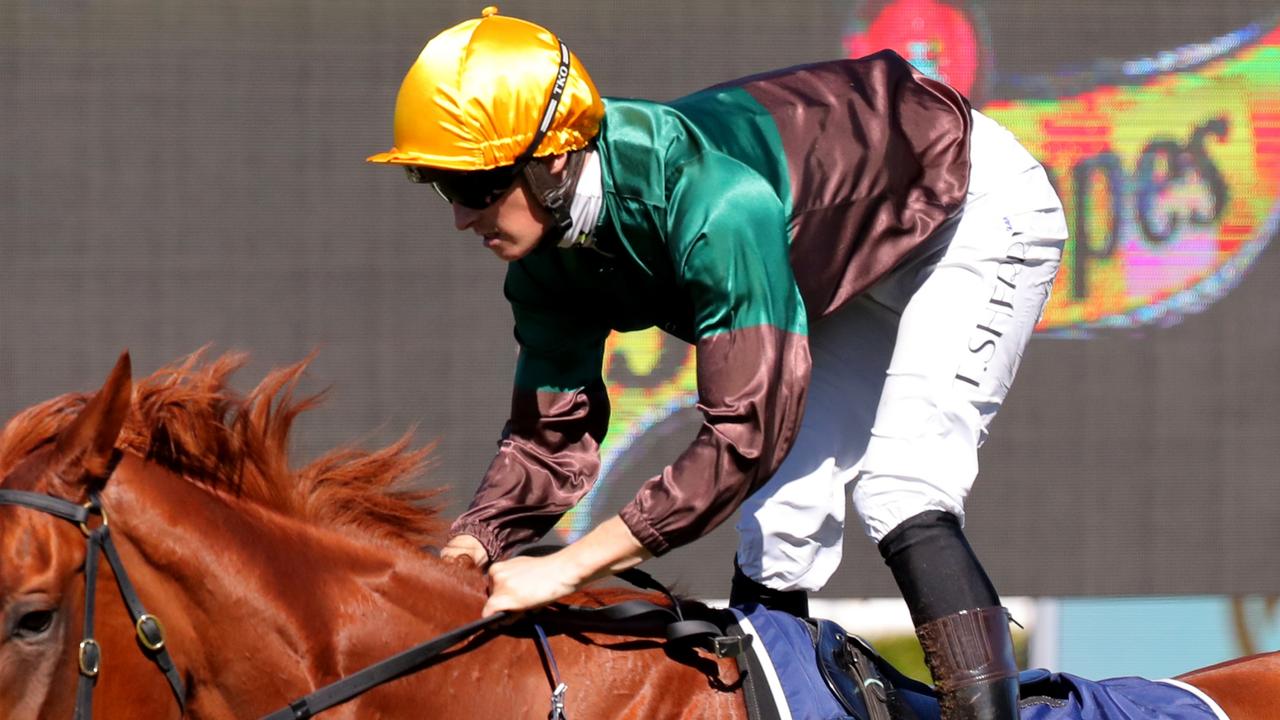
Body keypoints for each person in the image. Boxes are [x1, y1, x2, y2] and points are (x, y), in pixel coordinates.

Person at [368, 7, 1067, 719]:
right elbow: (549, 442)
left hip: (968, 207)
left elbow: (746, 435)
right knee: (779, 531)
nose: (460, 216)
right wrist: (468, 549)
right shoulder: (546, 260)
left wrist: (566, 568)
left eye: (474, 186)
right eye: (437, 182)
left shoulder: (711, 200)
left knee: (900, 489)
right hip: (844, 259)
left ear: (551, 160)